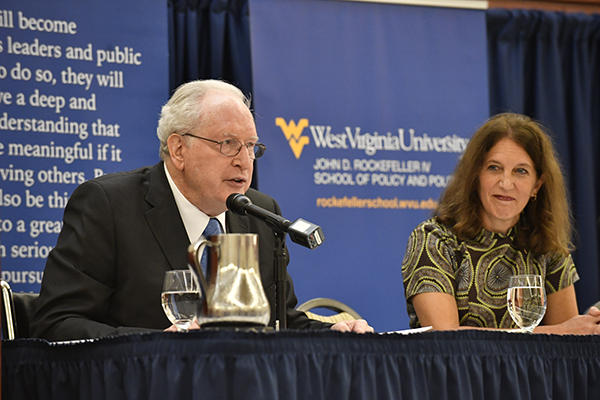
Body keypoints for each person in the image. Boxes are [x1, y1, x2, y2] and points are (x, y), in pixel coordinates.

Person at [31, 79, 372, 341]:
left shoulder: (258, 214)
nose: (244, 160)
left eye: (251, 147)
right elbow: (58, 322)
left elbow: (279, 321)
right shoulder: (108, 205)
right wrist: (154, 347)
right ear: (178, 149)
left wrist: (332, 335)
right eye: (228, 144)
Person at [401, 113, 600, 334]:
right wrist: (556, 332)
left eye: (521, 171)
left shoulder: (547, 248)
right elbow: (445, 337)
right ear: (475, 176)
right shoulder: (434, 240)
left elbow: (568, 342)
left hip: (530, 370)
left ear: (537, 185)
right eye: (494, 168)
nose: (506, 183)